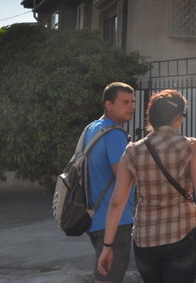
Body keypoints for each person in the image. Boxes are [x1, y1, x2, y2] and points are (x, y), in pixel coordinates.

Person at [98, 89, 196, 282]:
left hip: (145, 240)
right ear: (177, 117)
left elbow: (116, 203)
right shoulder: (190, 147)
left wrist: (107, 246)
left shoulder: (132, 151)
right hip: (183, 234)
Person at [85, 82, 137, 283]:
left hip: (94, 218)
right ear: (108, 105)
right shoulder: (115, 134)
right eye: (125, 102)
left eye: (132, 101)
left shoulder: (92, 128)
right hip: (115, 222)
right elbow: (125, 178)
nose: (132, 106)